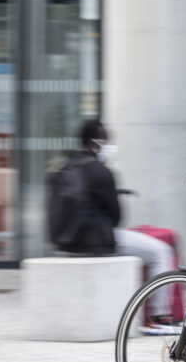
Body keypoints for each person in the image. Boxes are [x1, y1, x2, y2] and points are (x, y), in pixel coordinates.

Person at [50, 119, 176, 326]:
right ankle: (160, 316)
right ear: (94, 143)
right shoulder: (101, 171)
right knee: (160, 252)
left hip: (66, 242)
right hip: (98, 241)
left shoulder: (64, 168)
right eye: (106, 141)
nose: (109, 147)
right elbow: (116, 217)